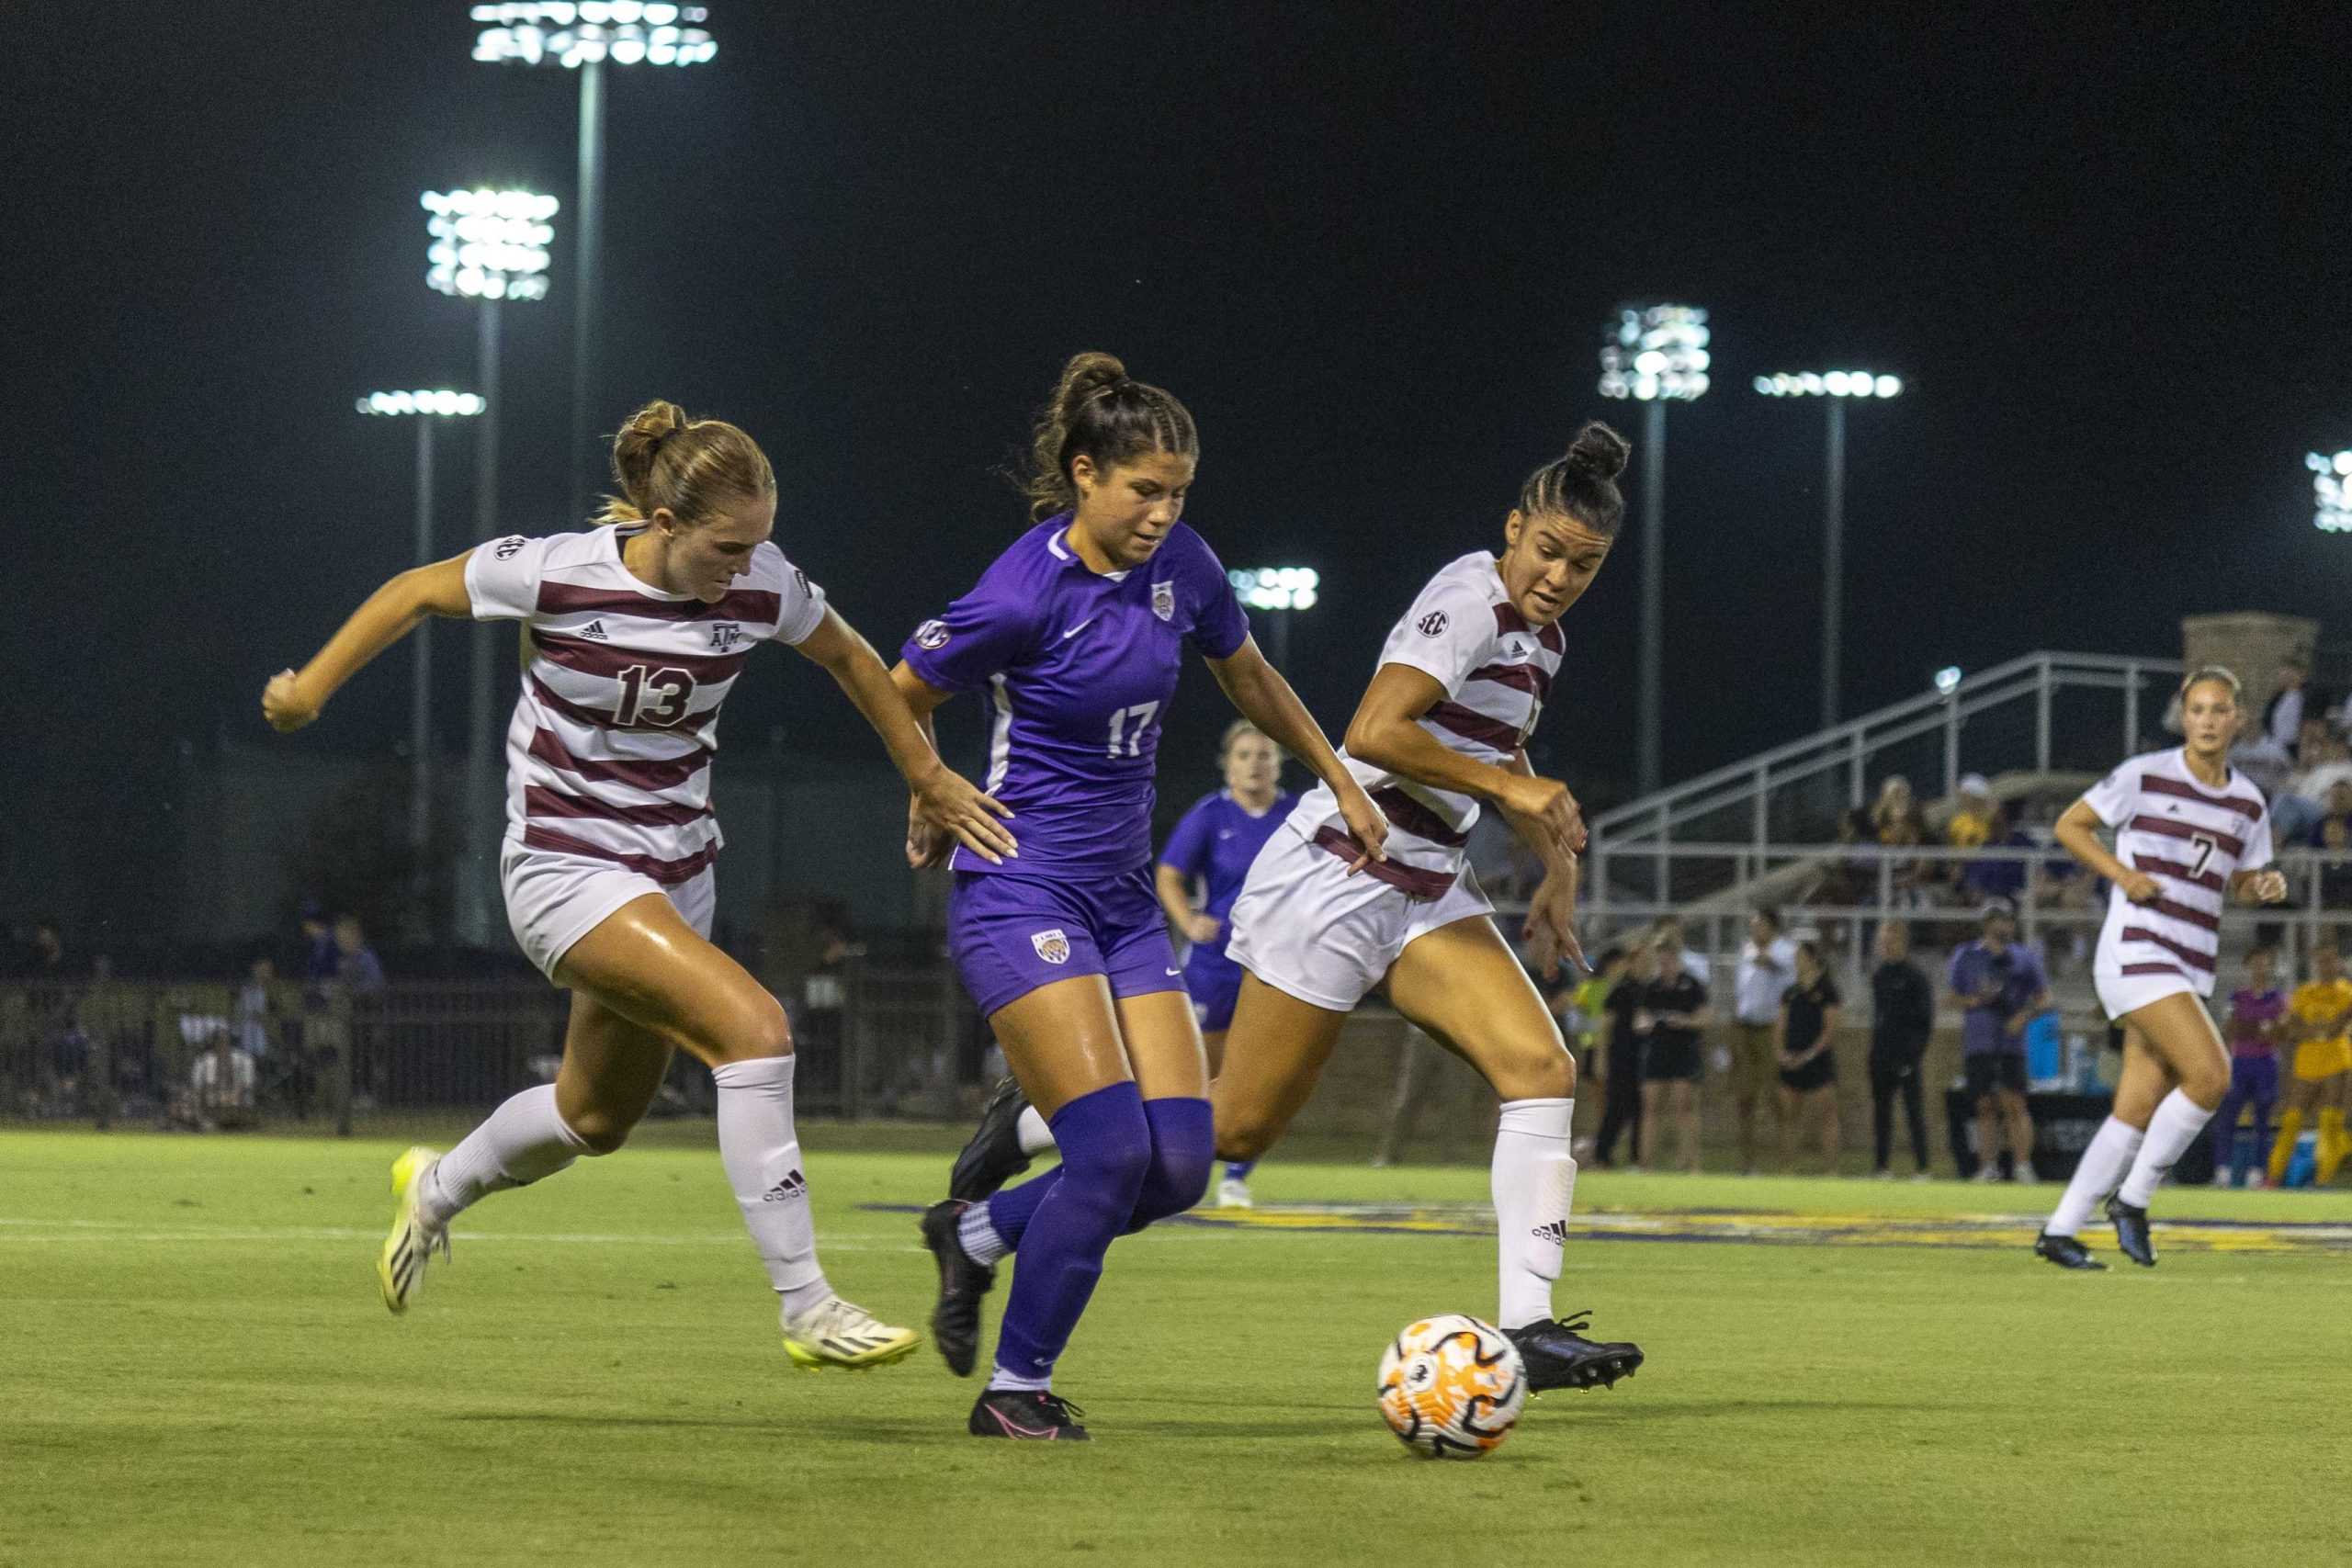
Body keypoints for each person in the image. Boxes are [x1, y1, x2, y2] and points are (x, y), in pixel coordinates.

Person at [263, 400, 1015, 1367]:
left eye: (758, 547)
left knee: (593, 1118)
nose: (745, 568)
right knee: (755, 1032)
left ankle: (436, 1188)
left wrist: (924, 772)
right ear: (662, 527)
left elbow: (853, 659)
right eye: (727, 548)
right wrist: (311, 689)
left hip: (676, 875)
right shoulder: (557, 571)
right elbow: (414, 591)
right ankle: (807, 1305)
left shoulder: (761, 583)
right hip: (564, 867)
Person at [948, 419, 1645, 1400]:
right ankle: (1027, 1136)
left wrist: (1552, 854)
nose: (1561, 576)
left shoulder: (1544, 638)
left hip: (1424, 884)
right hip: (1339, 871)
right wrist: (1513, 797)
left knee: (1541, 1068)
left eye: (1586, 564)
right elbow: (1376, 728)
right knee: (1229, 1134)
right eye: (1549, 551)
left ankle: (1526, 1326)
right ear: (1514, 527)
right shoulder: (1470, 598)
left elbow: (1498, 755)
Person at [902, 354, 1386, 1440]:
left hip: (1120, 906)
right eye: (1144, 491)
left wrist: (1340, 776)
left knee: (1176, 1168)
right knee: (1110, 1153)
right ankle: (1015, 1392)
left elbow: (1248, 674)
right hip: (1019, 890)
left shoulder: (1187, 568)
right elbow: (900, 688)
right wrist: (930, 787)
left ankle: (975, 1237)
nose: (1164, 513)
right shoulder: (1023, 590)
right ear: (1084, 475)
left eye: (1178, 494)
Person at [2034, 667, 2288, 1268]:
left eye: (2217, 709)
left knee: (2139, 1100)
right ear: (2184, 713)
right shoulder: (2145, 773)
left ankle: (2061, 1229)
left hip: (2190, 958)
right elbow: (2070, 824)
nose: (2205, 719)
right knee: (2211, 1075)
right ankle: (2134, 1200)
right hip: (2137, 947)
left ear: (2237, 719)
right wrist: (2122, 874)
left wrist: (2264, 883)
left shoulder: (2249, 801)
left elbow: (2244, 883)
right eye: (2196, 708)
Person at [1150, 720, 1298, 1207]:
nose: (1255, 763)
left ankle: (1236, 1174)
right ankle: (1177, 1159)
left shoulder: (1299, 816)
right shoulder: (1211, 814)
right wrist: (1189, 921)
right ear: (1227, 765)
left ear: (1279, 764)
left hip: (1278, 962)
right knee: (1204, 1069)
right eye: (1244, 755)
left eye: (1265, 754)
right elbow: (1169, 874)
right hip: (1217, 963)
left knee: (1267, 1072)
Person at [1948, 901, 2048, 1183]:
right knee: (1984, 1105)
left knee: (2015, 1103)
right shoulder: (1966, 955)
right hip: (1979, 1040)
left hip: (2010, 1041)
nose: (2005, 925)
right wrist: (1975, 1000)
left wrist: (2023, 1016)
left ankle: (2022, 1165)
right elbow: (1952, 995)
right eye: (1999, 920)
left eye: (2008, 920)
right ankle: (1987, 1166)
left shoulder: (2024, 957)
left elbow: (2045, 997)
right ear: (1987, 923)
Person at [2271, 942, 2351, 1187]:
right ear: (2316, 964)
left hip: (2337, 1059)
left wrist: (2311, 1031)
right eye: (2321, 960)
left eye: (2330, 960)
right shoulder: (2304, 992)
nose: (2326, 966)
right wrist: (2320, 1032)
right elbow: (2291, 1028)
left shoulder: (2346, 992)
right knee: (2292, 1119)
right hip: (2306, 1062)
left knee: (2330, 1121)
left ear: (2338, 963)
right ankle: (2273, 1177)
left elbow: (2338, 1025)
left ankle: (2322, 1179)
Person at [2212, 947, 2286, 1188]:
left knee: (2263, 1120)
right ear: (2247, 967)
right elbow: (2232, 1029)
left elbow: (2277, 1033)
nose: (2260, 969)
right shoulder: (2237, 997)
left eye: (2264, 964)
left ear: (2270, 968)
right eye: (2255, 964)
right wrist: (2259, 1027)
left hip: (2265, 1063)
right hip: (2241, 1062)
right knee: (2228, 1117)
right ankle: (2222, 1170)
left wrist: (2252, 1027)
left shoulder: (2277, 998)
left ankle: (2257, 1173)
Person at [1730, 909, 1797, 1172]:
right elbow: (1741, 991)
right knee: (1745, 1098)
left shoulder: (1785, 951)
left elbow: (1774, 967)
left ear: (1772, 927)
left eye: (1759, 925)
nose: (1754, 931)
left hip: (1771, 1030)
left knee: (1776, 1097)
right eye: (1752, 926)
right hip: (1745, 1028)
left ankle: (1786, 1163)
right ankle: (1748, 1163)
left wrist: (1762, 957)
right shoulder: (1746, 950)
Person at [1867, 921, 1935, 1179]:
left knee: (1913, 1111)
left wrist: (1912, 1055)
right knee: (1881, 1113)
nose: (1885, 945)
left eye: (1891, 940)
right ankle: (1881, 1166)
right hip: (1881, 1054)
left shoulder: (1915, 977)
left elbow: (1924, 1021)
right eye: (1882, 940)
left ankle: (1923, 1168)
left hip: (1906, 1056)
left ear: (1903, 942)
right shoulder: (1879, 975)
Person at [1637, 938, 1710, 1173]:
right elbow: (1639, 1019)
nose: (1664, 962)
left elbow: (1705, 1018)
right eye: (1660, 957)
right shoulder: (1652, 986)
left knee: (1685, 1107)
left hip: (1684, 1049)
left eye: (1668, 957)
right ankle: (1645, 1164)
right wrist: (1646, 1023)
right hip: (1657, 1049)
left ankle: (1690, 1164)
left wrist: (1684, 1021)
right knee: (1650, 1107)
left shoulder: (1692, 985)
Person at [1775, 941, 1842, 1172]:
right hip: (1791, 1059)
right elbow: (1780, 1025)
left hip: (1817, 1061)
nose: (1796, 961)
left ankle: (1831, 1169)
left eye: (1800, 956)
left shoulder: (1827, 991)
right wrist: (1781, 1053)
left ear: (1812, 959)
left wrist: (1810, 1055)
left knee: (1827, 1113)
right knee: (1789, 1115)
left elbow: (1830, 1029)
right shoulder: (1790, 992)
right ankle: (1787, 1167)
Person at [1593, 942, 1656, 1168]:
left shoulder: (1649, 989)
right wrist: (1601, 1058)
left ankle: (1635, 1157)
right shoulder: (1622, 990)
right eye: (1639, 961)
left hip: (1642, 1056)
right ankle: (1602, 1153)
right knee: (1617, 1107)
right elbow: (1605, 1025)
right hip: (1621, 1055)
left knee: (1639, 1107)